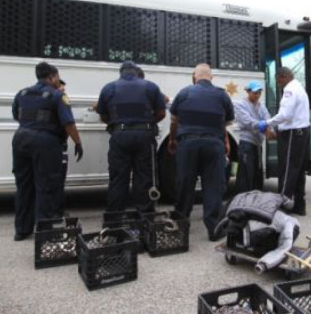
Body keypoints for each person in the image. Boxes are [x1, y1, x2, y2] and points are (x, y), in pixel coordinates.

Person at [11, 62, 83, 241]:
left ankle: (22, 229)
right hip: (45, 142)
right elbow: (68, 123)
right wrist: (78, 142)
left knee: (24, 186)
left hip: (20, 139)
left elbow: (16, 115)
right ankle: (46, 230)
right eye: (57, 77)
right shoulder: (57, 95)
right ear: (52, 77)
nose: (58, 80)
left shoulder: (22, 93)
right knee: (47, 185)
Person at [168, 63, 234, 241]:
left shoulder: (183, 93)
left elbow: (174, 122)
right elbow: (225, 124)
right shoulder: (222, 95)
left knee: (185, 184)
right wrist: (226, 142)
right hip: (214, 145)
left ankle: (179, 228)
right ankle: (214, 229)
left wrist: (173, 140)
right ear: (211, 77)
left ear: (194, 77)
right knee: (213, 186)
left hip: (188, 144)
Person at [96, 60, 166, 213]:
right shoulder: (151, 87)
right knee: (144, 178)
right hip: (145, 137)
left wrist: (117, 125)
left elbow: (103, 115)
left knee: (118, 179)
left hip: (119, 136)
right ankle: (144, 219)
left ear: (121, 72)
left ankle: (114, 221)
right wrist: (147, 123)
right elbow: (161, 113)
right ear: (136, 72)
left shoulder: (109, 88)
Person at [259, 67, 310, 216]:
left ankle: (282, 207)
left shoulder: (290, 90)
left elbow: (285, 115)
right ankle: (300, 205)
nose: (279, 83)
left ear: (285, 76)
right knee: (298, 170)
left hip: (293, 134)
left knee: (287, 170)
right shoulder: (299, 87)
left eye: (279, 80)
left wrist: (267, 123)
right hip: (301, 133)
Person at [233, 80, 273, 192]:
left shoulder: (261, 106)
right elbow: (248, 122)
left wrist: (271, 129)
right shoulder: (240, 104)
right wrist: (265, 128)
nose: (257, 95)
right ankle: (242, 202)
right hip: (246, 143)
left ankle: (255, 202)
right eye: (255, 93)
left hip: (258, 144)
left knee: (257, 174)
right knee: (245, 175)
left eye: (259, 93)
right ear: (248, 92)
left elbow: (268, 119)